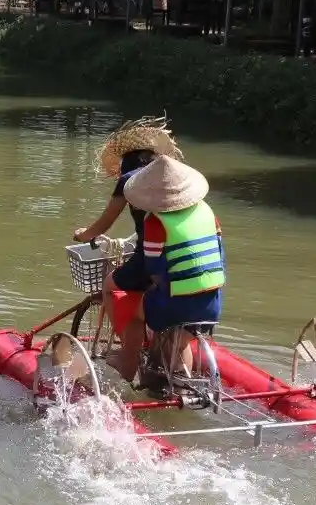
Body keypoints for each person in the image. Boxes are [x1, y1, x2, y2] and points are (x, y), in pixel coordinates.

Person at [73, 119, 182, 380]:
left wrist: (83, 234)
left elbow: (105, 222)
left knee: (110, 285)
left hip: (150, 256)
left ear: (126, 160)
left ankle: (128, 353)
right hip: (181, 255)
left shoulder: (129, 180)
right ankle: (166, 361)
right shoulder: (172, 181)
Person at [122, 156, 224, 380]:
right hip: (212, 299)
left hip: (177, 303)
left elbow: (153, 268)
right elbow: (218, 251)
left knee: (137, 318)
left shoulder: (154, 222)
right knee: (180, 341)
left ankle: (127, 371)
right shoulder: (207, 211)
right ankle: (179, 381)